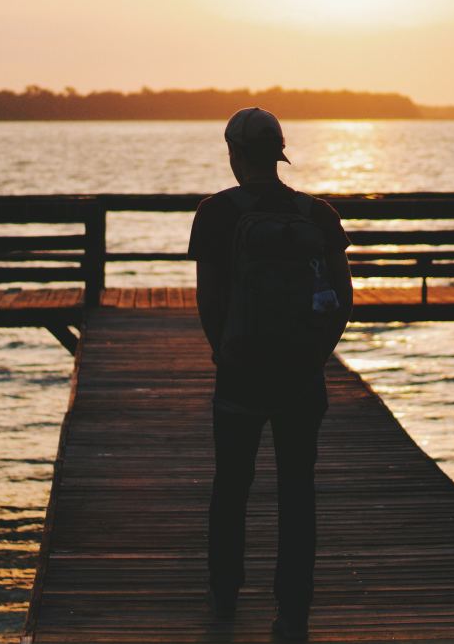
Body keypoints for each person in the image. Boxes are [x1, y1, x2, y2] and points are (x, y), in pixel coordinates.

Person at [187, 107, 353, 641]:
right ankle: (292, 612)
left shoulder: (215, 214)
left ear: (235, 154)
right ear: (279, 153)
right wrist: (313, 356)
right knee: (296, 490)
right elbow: (343, 301)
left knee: (232, 483)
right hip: (300, 374)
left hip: (240, 372)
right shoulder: (318, 215)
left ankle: (225, 592)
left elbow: (209, 299)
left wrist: (226, 353)